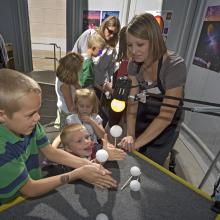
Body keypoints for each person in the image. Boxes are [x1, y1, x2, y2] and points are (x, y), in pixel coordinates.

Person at [0, 69, 117, 204]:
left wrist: (87, 165)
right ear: (2, 115)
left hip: (25, 194)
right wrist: (78, 173)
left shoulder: (29, 125)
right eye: (30, 114)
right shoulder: (2, 150)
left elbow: (51, 152)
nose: (38, 117)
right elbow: (30, 189)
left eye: (38, 111)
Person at [118, 13, 187, 166]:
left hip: (166, 124)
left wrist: (135, 145)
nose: (134, 51)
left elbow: (166, 116)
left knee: (151, 164)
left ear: (154, 40)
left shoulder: (174, 66)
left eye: (140, 44)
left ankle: (168, 158)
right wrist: (130, 135)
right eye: (130, 45)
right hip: (143, 115)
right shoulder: (133, 64)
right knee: (134, 159)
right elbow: (133, 102)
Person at [72, 16, 121, 126]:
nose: (112, 35)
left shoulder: (111, 48)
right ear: (104, 26)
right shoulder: (89, 35)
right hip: (82, 85)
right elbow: (79, 59)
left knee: (93, 116)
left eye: (115, 33)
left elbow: (110, 69)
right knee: (80, 115)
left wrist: (109, 86)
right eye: (110, 31)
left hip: (97, 87)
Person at [59, 123, 126, 162]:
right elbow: (86, 171)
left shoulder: (94, 146)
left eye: (87, 137)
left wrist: (109, 149)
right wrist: (102, 158)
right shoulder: (68, 160)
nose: (87, 141)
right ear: (69, 149)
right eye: (79, 141)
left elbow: (104, 150)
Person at [54, 52, 83, 129]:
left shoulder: (66, 77)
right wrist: (84, 108)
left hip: (65, 109)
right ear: (72, 72)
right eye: (78, 70)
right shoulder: (64, 86)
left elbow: (78, 87)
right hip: (67, 114)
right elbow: (70, 108)